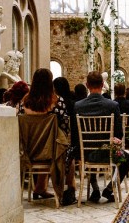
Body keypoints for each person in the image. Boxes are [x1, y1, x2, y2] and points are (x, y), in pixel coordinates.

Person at [74, 71, 129, 203]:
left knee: (90, 150)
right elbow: (119, 134)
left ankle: (95, 189)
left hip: (86, 154)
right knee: (128, 159)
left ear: (87, 85)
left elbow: (75, 134)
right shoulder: (112, 105)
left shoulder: (78, 106)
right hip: (107, 153)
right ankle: (109, 189)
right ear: (102, 85)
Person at [18, 68, 70, 201]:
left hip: (28, 150)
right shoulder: (58, 101)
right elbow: (64, 126)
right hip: (50, 151)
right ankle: (68, 190)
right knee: (60, 143)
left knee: (45, 141)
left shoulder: (23, 102)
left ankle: (40, 188)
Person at [53, 76, 78, 205]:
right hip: (70, 141)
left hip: (55, 142)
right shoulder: (73, 104)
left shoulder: (55, 104)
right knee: (70, 154)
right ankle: (71, 188)